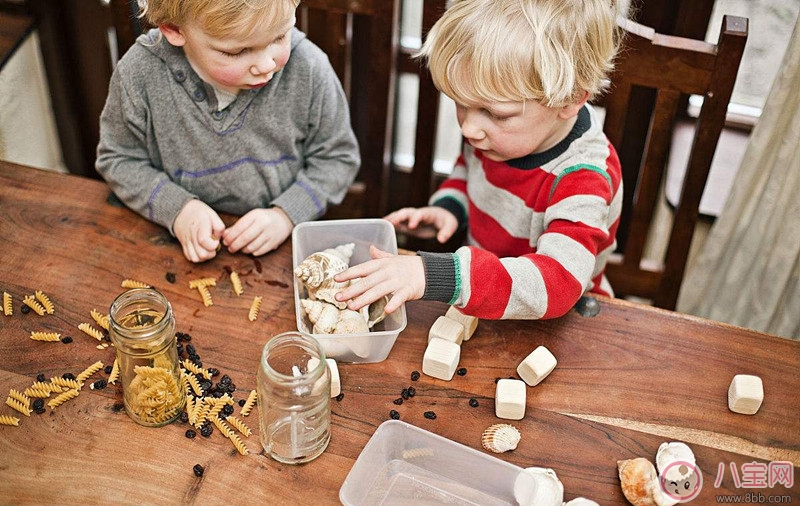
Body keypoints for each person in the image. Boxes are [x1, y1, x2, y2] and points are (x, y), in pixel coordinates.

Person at [335, 0, 622, 320]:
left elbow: (555, 286)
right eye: (460, 104)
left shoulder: (584, 177)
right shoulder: (500, 137)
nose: (469, 128)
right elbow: (470, 168)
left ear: (569, 100)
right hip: (483, 302)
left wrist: (436, 275)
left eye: (493, 113)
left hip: (563, 321)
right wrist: (451, 208)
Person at [96, 0, 360, 263]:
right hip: (170, 251)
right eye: (237, 51)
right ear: (175, 30)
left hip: (279, 251)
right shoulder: (139, 74)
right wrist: (178, 209)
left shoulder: (310, 68)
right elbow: (119, 160)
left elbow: (337, 159)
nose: (266, 65)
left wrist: (286, 214)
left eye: (280, 36)